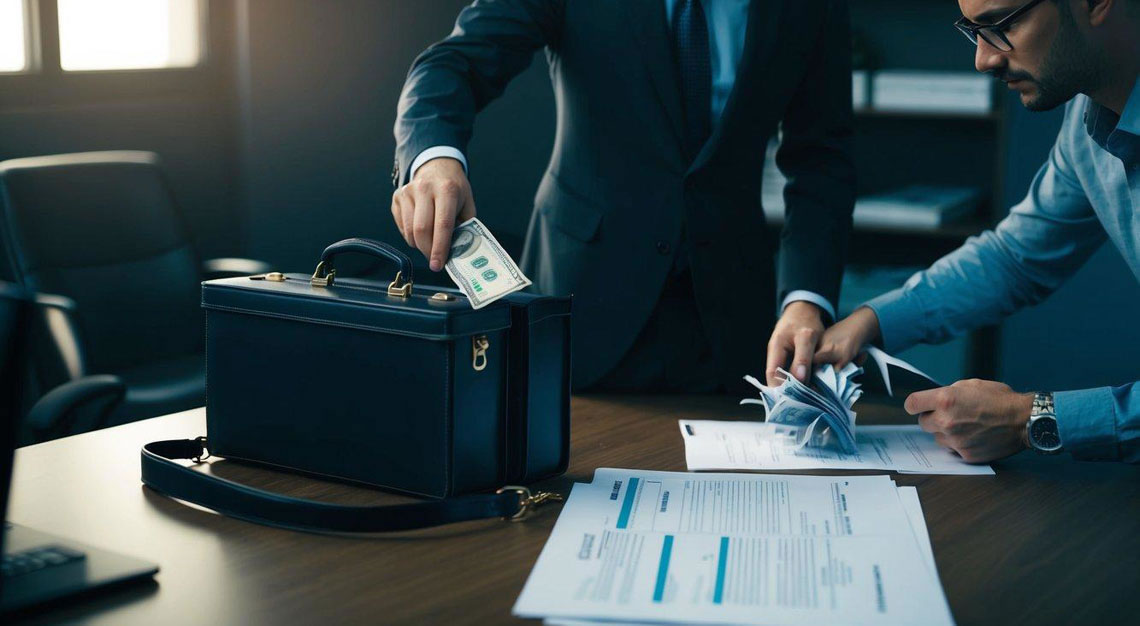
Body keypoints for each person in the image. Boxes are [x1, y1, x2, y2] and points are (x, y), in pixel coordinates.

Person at [391, 0, 855, 394]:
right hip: (582, 308)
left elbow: (822, 159)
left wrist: (805, 298)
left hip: (733, 328)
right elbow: (453, 63)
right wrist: (434, 159)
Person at [815, 0, 1140, 463]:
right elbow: (1015, 258)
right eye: (974, 31)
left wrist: (1032, 419)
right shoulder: (1086, 124)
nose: (984, 59)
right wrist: (870, 323)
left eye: (1003, 25)